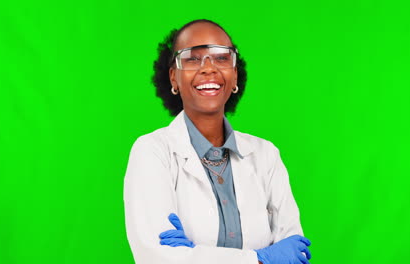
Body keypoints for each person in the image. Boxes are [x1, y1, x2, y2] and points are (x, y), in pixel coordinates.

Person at [123, 19, 312, 264]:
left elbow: (294, 253)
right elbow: (159, 257)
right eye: (192, 58)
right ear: (173, 78)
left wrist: (192, 255)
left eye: (222, 58)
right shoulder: (152, 151)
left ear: (234, 76)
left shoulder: (265, 154)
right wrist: (260, 259)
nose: (208, 67)